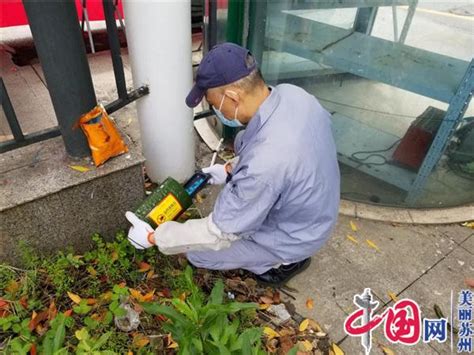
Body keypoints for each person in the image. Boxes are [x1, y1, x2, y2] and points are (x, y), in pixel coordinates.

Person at [126, 43, 340, 286]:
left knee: (200, 253)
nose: (216, 110)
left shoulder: (265, 163)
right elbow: (280, 155)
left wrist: (156, 237)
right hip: (315, 213)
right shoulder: (293, 94)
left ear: (233, 96)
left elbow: (219, 232)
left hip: (295, 236)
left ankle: (283, 263)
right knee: (243, 147)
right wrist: (229, 170)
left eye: (214, 104)